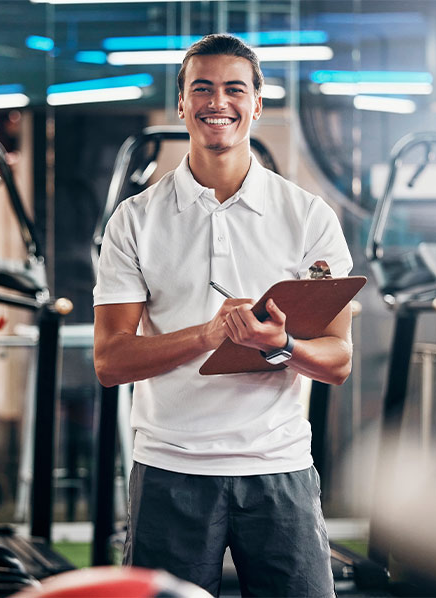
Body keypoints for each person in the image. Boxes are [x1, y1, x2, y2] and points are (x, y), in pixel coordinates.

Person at [93, 33, 353, 598]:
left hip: (278, 466)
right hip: (170, 470)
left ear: (257, 103)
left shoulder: (308, 217)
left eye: (235, 89)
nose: (219, 102)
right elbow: (110, 361)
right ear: (182, 103)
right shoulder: (134, 222)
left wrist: (281, 345)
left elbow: (337, 360)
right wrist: (210, 334)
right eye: (202, 89)